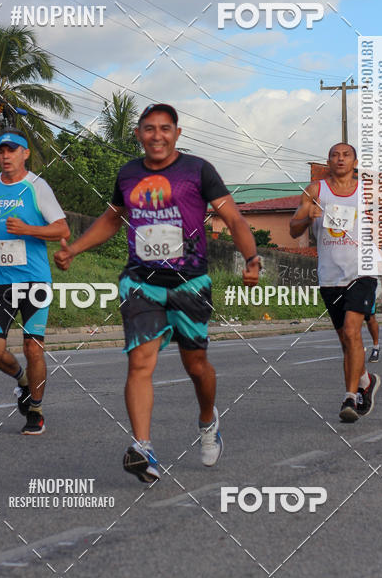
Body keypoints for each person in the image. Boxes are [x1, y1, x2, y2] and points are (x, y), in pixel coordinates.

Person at [54, 104, 261, 482]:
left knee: (196, 366)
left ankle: (207, 420)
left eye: (165, 129)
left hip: (190, 283)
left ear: (177, 134)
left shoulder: (198, 170)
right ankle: (143, 447)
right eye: (149, 129)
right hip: (141, 282)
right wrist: (74, 249)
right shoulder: (128, 173)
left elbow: (233, 218)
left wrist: (251, 257)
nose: (157, 136)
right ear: (138, 134)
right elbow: (112, 220)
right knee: (140, 362)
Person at [0, 128, 70, 434]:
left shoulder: (37, 187)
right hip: (1, 281)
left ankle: (36, 411)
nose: (5, 156)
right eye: (1, 151)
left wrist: (28, 229)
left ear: (25, 154)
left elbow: (62, 231)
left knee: (33, 348)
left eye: (12, 150)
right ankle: (23, 381)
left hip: (35, 281)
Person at [290, 142, 382, 423]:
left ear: (355, 161)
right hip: (330, 275)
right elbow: (293, 228)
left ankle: (350, 397)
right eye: (334, 155)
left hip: (362, 272)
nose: (339, 159)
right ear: (328, 161)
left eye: (345, 155)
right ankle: (366, 380)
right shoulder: (316, 191)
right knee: (346, 341)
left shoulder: (367, 191)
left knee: (354, 333)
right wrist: (307, 216)